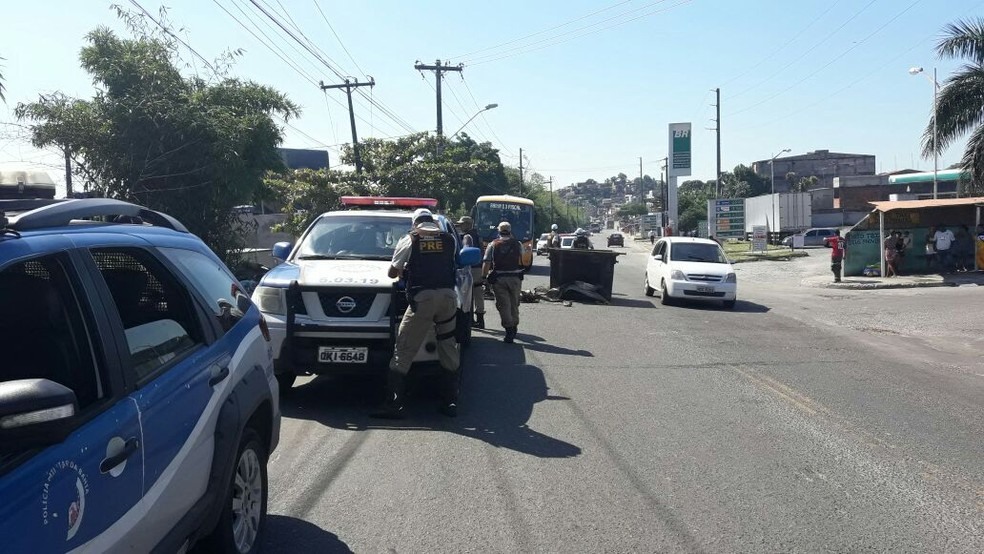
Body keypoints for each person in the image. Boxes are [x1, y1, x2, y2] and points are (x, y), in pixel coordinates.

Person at [373, 208, 460, 419]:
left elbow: (393, 271)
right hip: (448, 299)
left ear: (415, 224)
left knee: (403, 349)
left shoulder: (411, 239)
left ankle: (393, 405)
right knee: (448, 347)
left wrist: (404, 270)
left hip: (423, 300)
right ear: (431, 221)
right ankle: (450, 403)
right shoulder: (449, 238)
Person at [483, 221, 524, 343]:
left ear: (498, 231)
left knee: (503, 305)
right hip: (515, 278)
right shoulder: (518, 244)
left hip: (499, 279)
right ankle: (514, 324)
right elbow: (522, 256)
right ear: (510, 231)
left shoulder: (493, 244)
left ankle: (509, 328)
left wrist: (484, 277)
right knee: (514, 303)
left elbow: (487, 262)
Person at [456, 215, 486, 328]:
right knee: (478, 294)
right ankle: (480, 319)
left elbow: (464, 252)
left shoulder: (467, 236)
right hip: (478, 266)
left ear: (468, 224)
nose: (460, 226)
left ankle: (470, 319)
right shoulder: (477, 235)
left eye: (462, 224)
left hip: (470, 268)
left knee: (468, 294)